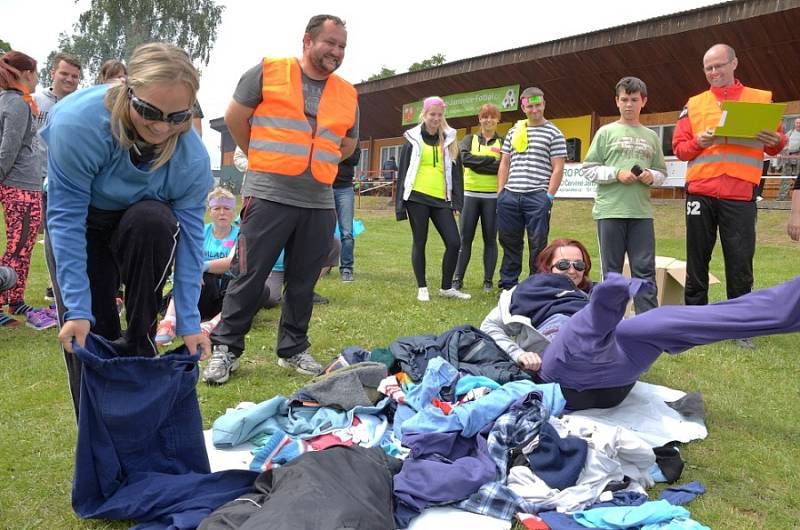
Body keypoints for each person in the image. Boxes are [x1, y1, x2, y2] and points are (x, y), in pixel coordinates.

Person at [41, 42, 213, 413]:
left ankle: (140, 349)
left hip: (138, 224)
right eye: (149, 111)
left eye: (176, 117)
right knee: (91, 330)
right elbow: (67, 221)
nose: (160, 126)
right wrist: (76, 311)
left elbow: (191, 242)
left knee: (153, 219)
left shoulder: (191, 159)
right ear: (127, 89)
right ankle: (97, 436)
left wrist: (188, 321)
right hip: (81, 219)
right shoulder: (77, 124)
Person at [210, 14, 359, 382]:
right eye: (330, 43)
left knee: (304, 280)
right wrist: (264, 159)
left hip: (318, 199)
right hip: (269, 194)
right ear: (307, 41)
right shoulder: (268, 71)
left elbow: (349, 143)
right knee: (248, 273)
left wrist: (315, 162)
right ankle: (226, 348)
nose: (337, 51)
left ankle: (292, 349)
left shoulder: (347, 93)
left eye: (342, 46)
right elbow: (235, 118)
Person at [482, 238, 800, 411]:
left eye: (578, 264)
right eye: (562, 264)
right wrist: (517, 354)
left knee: (660, 320)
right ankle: (607, 303)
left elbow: (626, 337)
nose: (572, 269)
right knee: (582, 330)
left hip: (616, 375)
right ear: (546, 267)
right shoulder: (519, 293)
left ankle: (787, 307)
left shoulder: (584, 292)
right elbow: (489, 328)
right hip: (562, 369)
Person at [673, 43, 785, 349]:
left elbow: (776, 144)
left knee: (739, 262)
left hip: (740, 193)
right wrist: (698, 141)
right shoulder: (693, 103)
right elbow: (680, 149)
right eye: (708, 68)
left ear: (735, 63)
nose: (714, 72)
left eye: (719, 65)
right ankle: (694, 322)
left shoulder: (760, 99)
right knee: (697, 260)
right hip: (701, 191)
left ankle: (741, 327)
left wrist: (776, 139)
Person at [581, 76, 666, 314]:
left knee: (645, 270)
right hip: (610, 211)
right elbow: (588, 169)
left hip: (641, 214)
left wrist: (651, 175)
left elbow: (661, 172)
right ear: (617, 102)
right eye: (624, 99)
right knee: (612, 273)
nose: (629, 104)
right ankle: (609, 322)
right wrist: (616, 173)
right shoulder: (605, 133)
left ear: (643, 101)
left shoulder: (652, 137)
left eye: (634, 99)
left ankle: (648, 323)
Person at [395, 96, 469, 302]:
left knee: (454, 242)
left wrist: (456, 201)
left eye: (439, 115)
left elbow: (456, 174)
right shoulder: (412, 138)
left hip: (441, 199)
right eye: (432, 115)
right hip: (417, 197)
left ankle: (446, 288)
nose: (435, 118)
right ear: (424, 115)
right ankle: (422, 287)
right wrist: (400, 205)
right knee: (420, 241)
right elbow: (403, 171)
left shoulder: (450, 139)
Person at [0, 51, 53, 329]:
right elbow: (7, 150)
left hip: (26, 186)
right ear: (26, 74)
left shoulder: (16, 102)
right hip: (19, 187)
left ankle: (16, 299)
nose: (38, 79)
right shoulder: (17, 104)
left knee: (24, 246)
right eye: (36, 73)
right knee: (17, 247)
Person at [497, 87, 567, 290]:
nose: (534, 109)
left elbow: (558, 168)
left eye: (538, 105)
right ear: (523, 107)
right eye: (530, 106)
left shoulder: (554, 133)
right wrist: (501, 192)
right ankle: (508, 286)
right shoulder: (514, 131)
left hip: (537, 196)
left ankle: (534, 286)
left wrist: (549, 196)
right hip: (510, 196)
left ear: (544, 104)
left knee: (538, 245)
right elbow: (504, 163)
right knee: (510, 242)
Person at [155, 187, 239, 345]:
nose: (222, 213)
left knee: (250, 289)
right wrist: (195, 270)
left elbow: (231, 262)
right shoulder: (200, 231)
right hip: (200, 288)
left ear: (233, 212)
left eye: (227, 208)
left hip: (225, 290)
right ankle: (168, 323)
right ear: (210, 211)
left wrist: (201, 267)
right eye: (217, 208)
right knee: (190, 275)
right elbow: (184, 258)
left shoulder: (240, 234)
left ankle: (210, 326)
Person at [33, 52, 81, 303]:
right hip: (34, 177)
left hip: (65, 182)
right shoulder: (35, 101)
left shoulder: (80, 105)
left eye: (74, 76)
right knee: (34, 236)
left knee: (63, 234)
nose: (69, 79)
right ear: (52, 73)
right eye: (64, 73)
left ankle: (58, 286)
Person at [453, 103, 503, 294]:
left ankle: (488, 281)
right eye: (484, 116)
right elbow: (465, 159)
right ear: (479, 119)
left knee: (490, 239)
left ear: (497, 119)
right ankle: (457, 279)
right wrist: (491, 160)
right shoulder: (469, 139)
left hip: (493, 197)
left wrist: (478, 163)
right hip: (469, 196)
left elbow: (503, 166)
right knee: (464, 239)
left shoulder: (503, 142)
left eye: (492, 117)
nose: (488, 120)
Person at [333, 145, 360, 282]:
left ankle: (347, 269)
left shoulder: (353, 137)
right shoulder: (328, 132)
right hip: (325, 186)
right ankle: (322, 265)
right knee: (321, 230)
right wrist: (344, 152)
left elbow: (354, 159)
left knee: (347, 232)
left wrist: (335, 152)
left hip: (345, 188)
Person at [777, 117, 800, 200]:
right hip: (788, 159)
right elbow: (783, 144)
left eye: (799, 123)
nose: (798, 124)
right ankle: (782, 197)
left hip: (798, 160)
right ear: (795, 123)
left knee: (798, 179)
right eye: (797, 123)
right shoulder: (790, 133)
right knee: (785, 178)